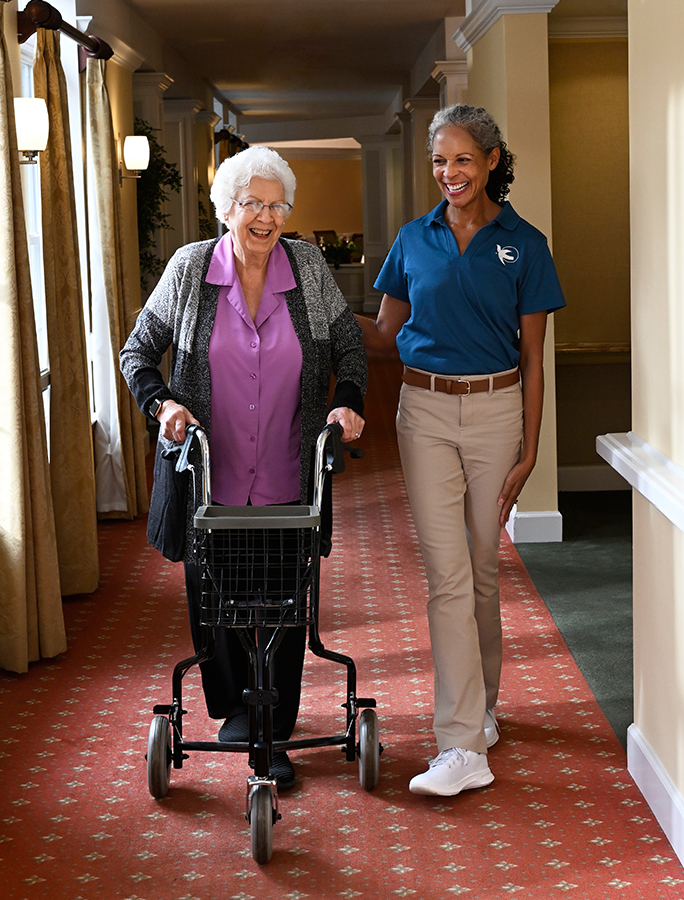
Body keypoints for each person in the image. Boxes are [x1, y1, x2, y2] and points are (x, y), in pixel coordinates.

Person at [120, 145, 367, 790]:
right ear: (226, 207)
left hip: (290, 477)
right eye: (251, 203)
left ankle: (274, 731)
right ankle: (234, 714)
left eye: (276, 204)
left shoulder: (308, 267)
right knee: (217, 602)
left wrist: (346, 404)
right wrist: (164, 400)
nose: (265, 216)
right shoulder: (190, 269)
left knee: (287, 606)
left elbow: (350, 350)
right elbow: (137, 352)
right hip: (211, 481)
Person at [356, 103, 565, 797]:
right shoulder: (413, 240)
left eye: (463, 159)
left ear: (493, 161)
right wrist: (308, 304)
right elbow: (384, 332)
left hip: (499, 409)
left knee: (480, 570)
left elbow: (534, 360)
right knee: (447, 575)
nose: (450, 172)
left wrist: (531, 450)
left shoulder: (524, 244)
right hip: (423, 412)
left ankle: (485, 709)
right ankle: (461, 744)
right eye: (440, 160)